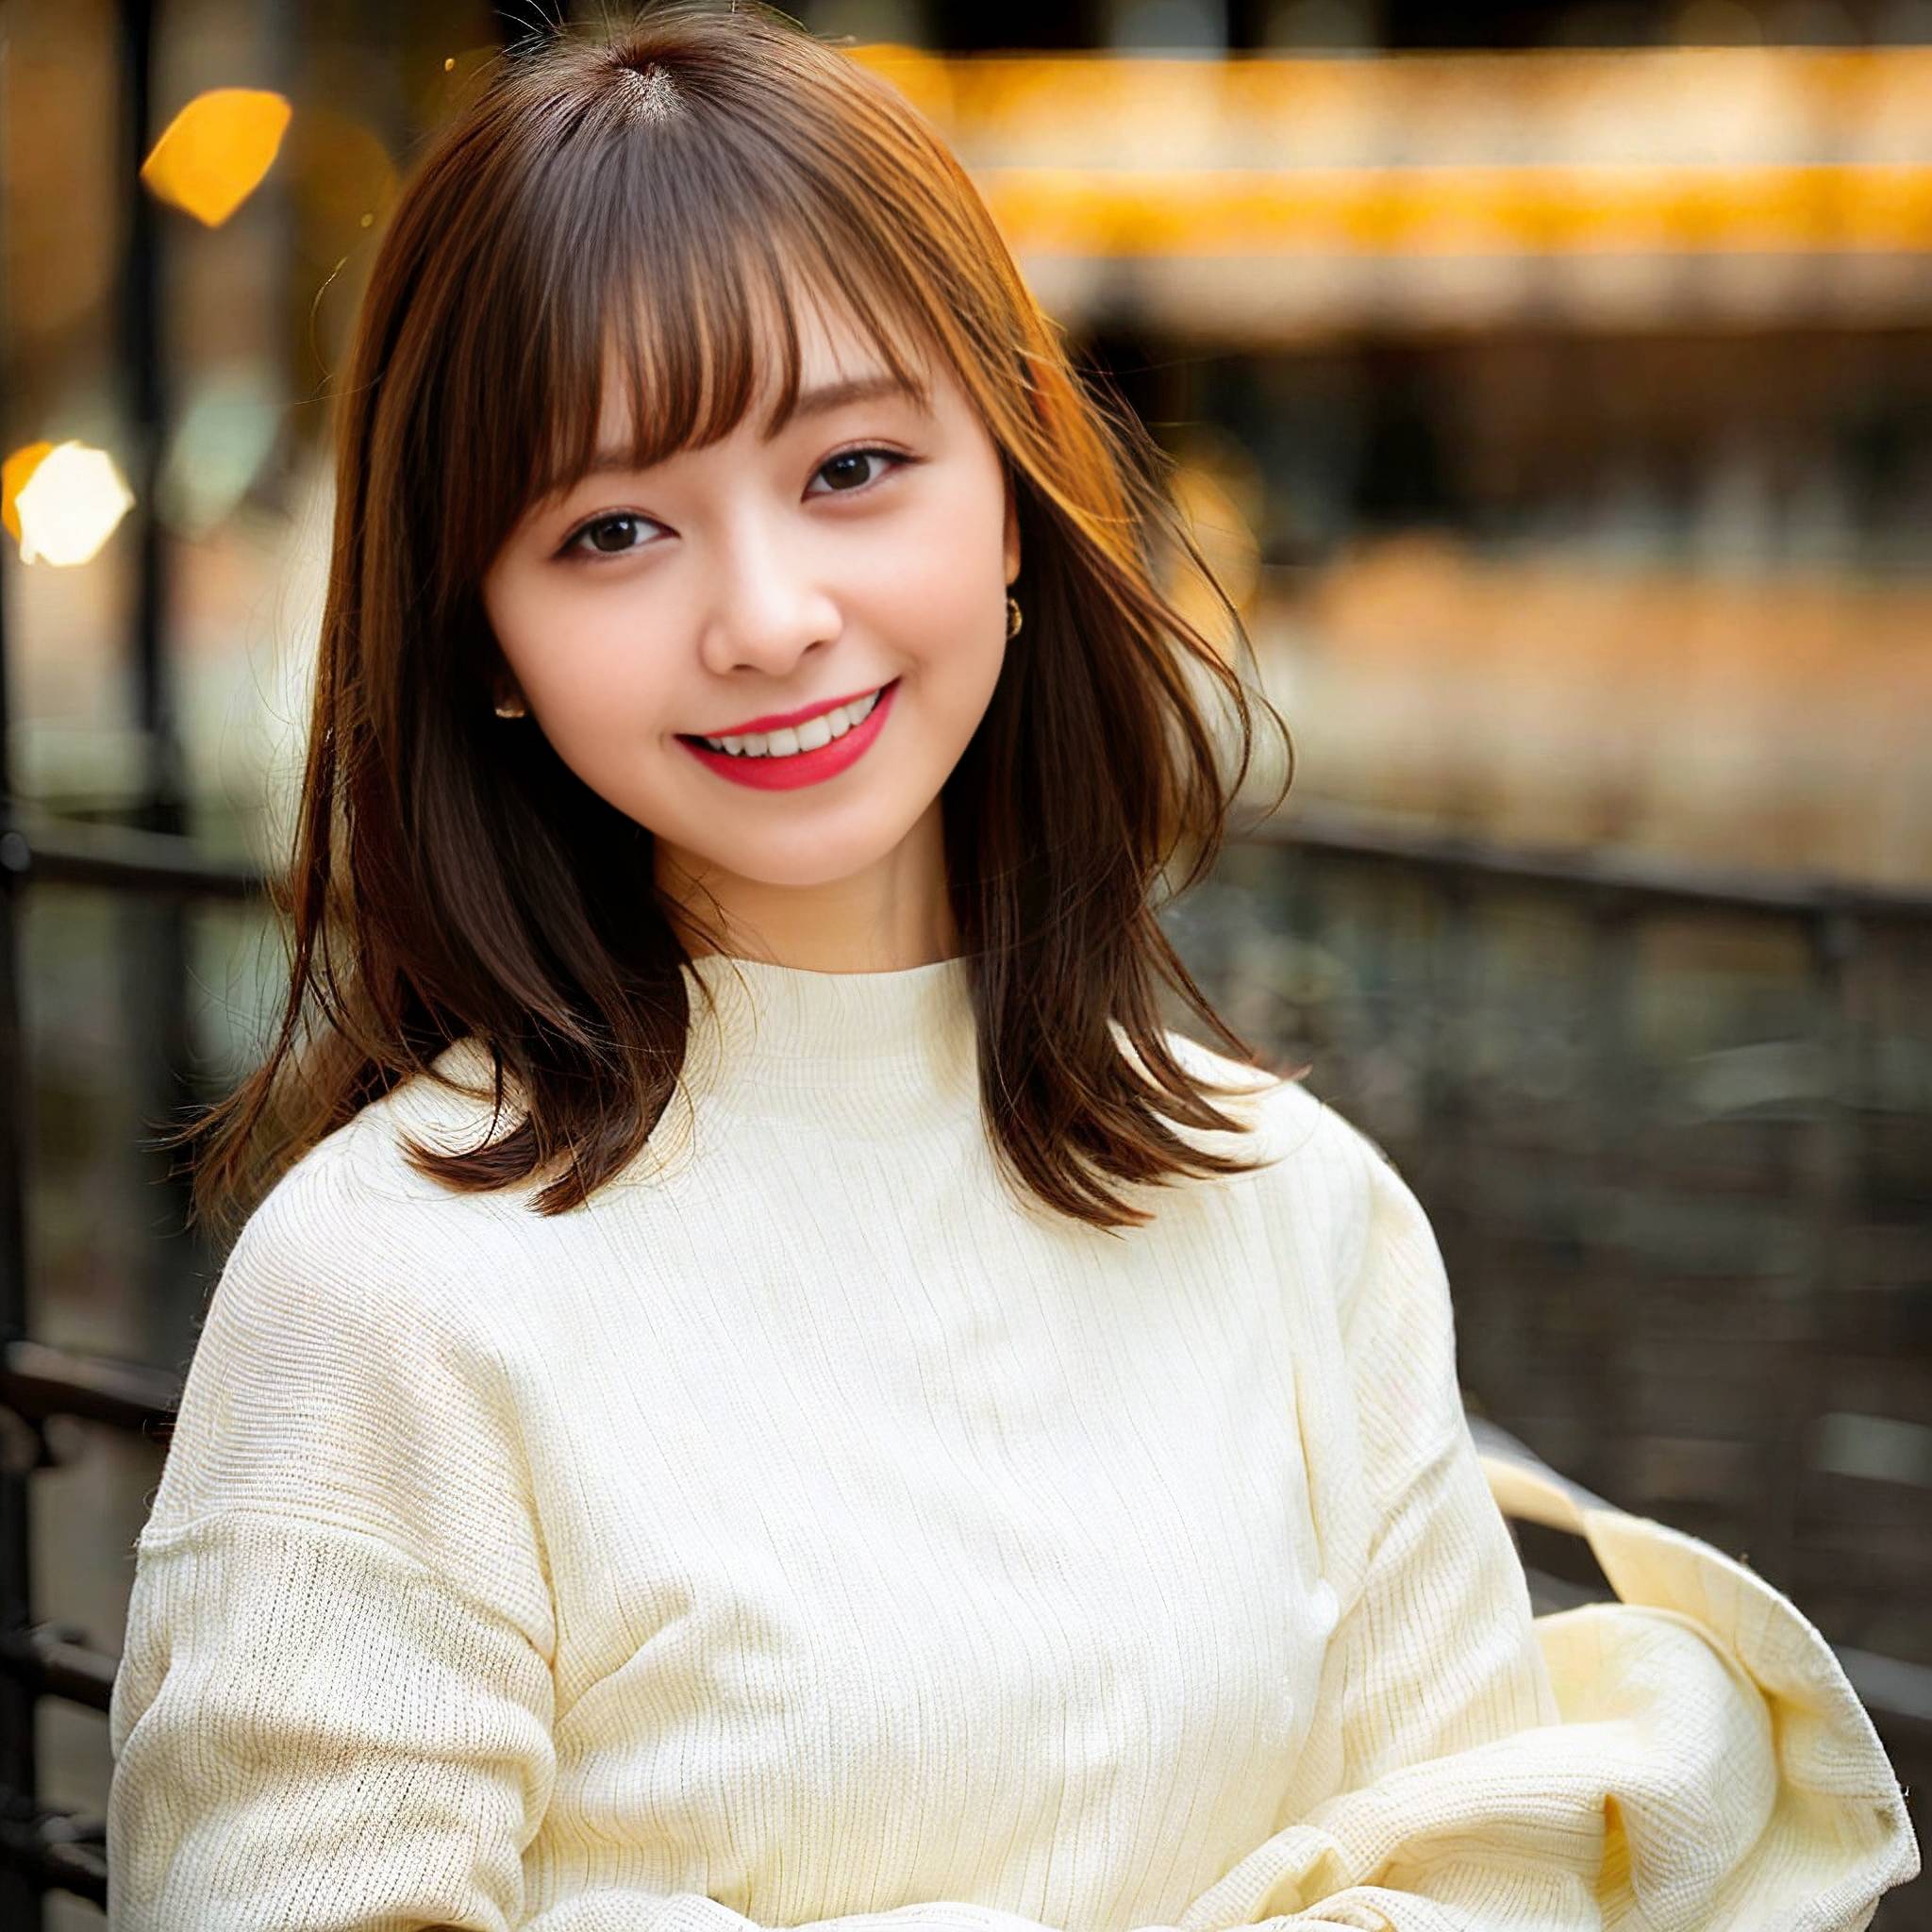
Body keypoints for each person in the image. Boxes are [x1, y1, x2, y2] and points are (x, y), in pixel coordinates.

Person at [105, 5, 1918, 1928]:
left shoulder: (1292, 1215)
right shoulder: (386, 1290)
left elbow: (1485, 1871)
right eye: (616, 527)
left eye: (854, 467)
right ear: (483, 637)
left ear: (1018, 503)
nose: (769, 616)